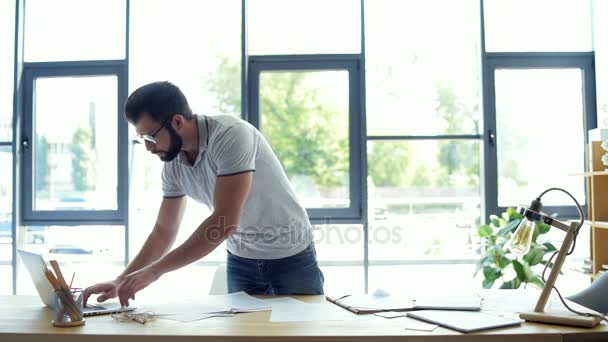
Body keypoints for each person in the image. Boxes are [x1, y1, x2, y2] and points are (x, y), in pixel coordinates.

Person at [83, 81, 323, 307]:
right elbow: (163, 231)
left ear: (177, 121)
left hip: (291, 255)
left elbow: (224, 223)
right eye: (141, 138)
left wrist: (155, 271)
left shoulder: (231, 135)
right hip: (241, 259)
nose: (148, 147)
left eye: (150, 136)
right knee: (244, 335)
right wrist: (122, 279)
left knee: (301, 334)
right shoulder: (173, 165)